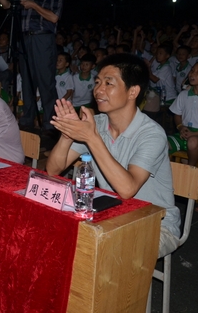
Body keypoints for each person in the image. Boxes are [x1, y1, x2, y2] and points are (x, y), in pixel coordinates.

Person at [46, 53, 180, 258]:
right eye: (97, 82)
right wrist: (67, 134)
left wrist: (91, 138)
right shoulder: (98, 124)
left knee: (102, 253)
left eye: (109, 83)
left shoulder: (152, 134)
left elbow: (127, 189)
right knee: (55, 234)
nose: (98, 90)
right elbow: (53, 170)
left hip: (155, 223)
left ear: (133, 91)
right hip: (112, 214)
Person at [0, 0, 63, 145]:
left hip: (43, 38)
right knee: (26, 81)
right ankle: (27, 121)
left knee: (45, 82)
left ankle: (50, 125)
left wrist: (34, 5)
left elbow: (54, 17)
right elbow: (8, 6)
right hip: (25, 38)